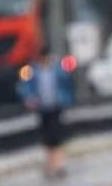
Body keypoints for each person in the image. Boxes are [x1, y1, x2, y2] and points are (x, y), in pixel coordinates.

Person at [21, 46, 74, 178]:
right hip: (43, 109)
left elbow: (67, 83)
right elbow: (26, 87)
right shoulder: (34, 71)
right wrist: (29, 98)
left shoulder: (57, 70)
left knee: (57, 137)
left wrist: (66, 100)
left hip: (56, 107)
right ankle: (51, 165)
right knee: (47, 139)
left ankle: (59, 165)